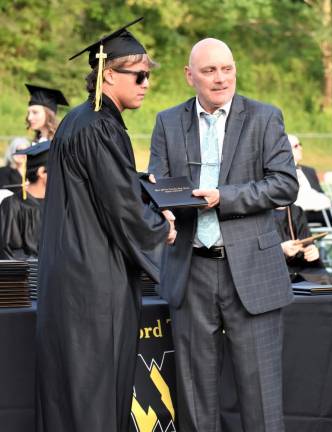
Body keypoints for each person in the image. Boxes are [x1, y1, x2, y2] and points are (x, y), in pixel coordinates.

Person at [149, 38, 298, 432]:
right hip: (191, 270)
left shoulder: (265, 118)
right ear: (189, 76)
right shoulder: (167, 121)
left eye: (227, 69)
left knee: (262, 400)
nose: (220, 79)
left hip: (253, 272)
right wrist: (162, 206)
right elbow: (159, 185)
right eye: (210, 70)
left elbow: (284, 185)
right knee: (196, 399)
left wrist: (223, 198)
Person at [36, 18, 175, 432]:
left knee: (68, 391)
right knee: (96, 388)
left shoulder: (77, 121)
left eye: (148, 75)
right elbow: (123, 209)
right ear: (109, 73)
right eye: (139, 75)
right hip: (95, 283)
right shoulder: (100, 126)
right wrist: (161, 227)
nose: (146, 83)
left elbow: (102, 186)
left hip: (67, 275)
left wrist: (142, 183)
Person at [289, 134, 332, 244]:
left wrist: (320, 200)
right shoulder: (284, 172)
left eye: (300, 144)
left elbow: (321, 194)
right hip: (300, 214)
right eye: (296, 146)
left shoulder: (309, 171)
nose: (301, 148)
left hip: (318, 211)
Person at [0, 140, 50, 260]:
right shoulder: (12, 206)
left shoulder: (59, 205)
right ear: (41, 172)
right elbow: (8, 252)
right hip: (25, 276)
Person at [273, 204, 332, 285]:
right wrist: (280, 249)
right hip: (273, 269)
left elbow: (306, 240)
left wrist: (311, 250)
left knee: (326, 279)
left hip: (299, 265)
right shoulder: (258, 213)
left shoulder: (296, 211)